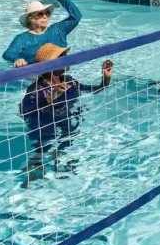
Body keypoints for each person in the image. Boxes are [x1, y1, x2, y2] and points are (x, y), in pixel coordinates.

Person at [19, 43, 113, 187]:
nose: (66, 58)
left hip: (66, 120)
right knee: (42, 149)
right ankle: (33, 173)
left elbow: (91, 90)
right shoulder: (36, 89)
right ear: (49, 65)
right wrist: (50, 99)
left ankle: (62, 165)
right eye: (62, 57)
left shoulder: (69, 80)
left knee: (66, 144)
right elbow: (27, 112)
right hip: (43, 126)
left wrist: (105, 79)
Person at [3, 0, 82, 67]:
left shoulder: (58, 30)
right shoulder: (22, 39)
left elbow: (76, 17)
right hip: (37, 76)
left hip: (60, 72)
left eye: (47, 13)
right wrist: (17, 59)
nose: (45, 16)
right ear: (31, 18)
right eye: (40, 14)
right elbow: (8, 54)